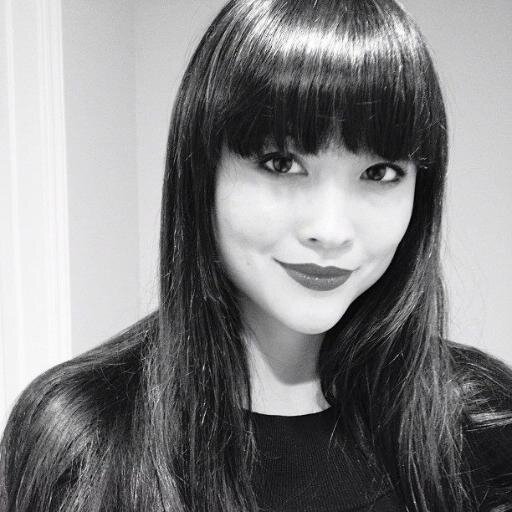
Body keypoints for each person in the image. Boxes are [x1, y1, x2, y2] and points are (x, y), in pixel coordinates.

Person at [1, 0, 511, 510]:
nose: (330, 231)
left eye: (379, 173)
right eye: (281, 163)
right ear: (203, 174)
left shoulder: (483, 423)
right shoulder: (84, 436)